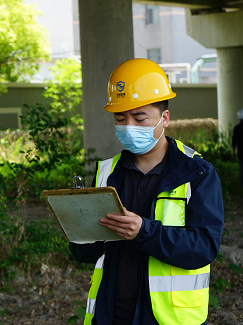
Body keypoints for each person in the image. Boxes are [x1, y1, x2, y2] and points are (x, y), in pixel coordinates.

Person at [70, 58, 224, 325]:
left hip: (166, 318)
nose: (129, 125)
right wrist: (76, 225)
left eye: (139, 117)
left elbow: (203, 248)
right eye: (121, 118)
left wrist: (144, 232)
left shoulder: (197, 173)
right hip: (112, 314)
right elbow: (83, 254)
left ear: (164, 118)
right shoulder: (107, 172)